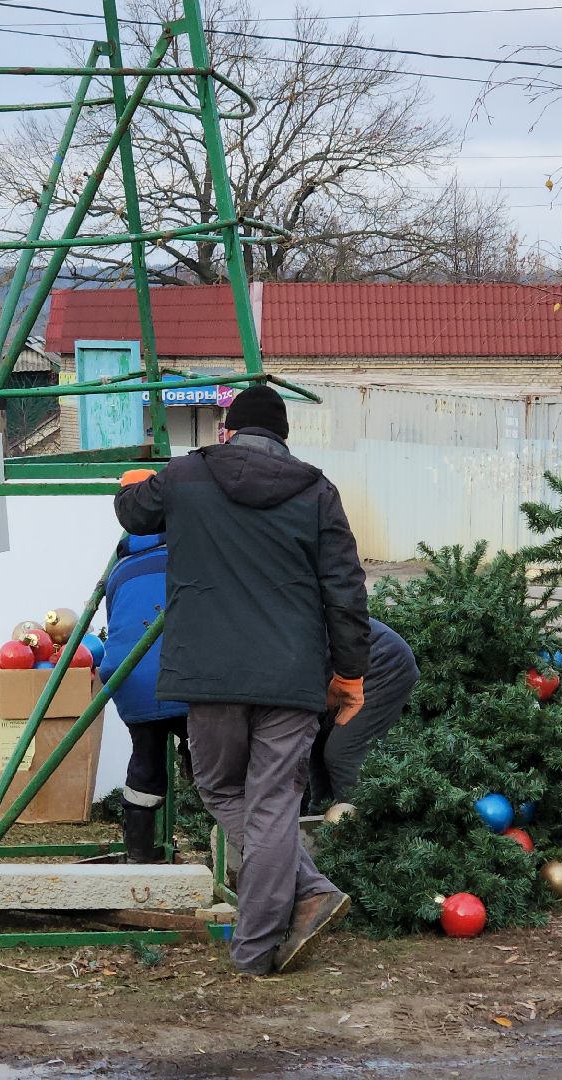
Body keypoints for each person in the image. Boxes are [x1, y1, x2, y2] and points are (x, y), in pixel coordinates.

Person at [114, 383, 370, 976]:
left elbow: (134, 513)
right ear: (283, 436)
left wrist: (133, 483)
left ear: (227, 430)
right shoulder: (316, 490)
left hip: (211, 674)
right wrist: (349, 673)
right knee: (274, 803)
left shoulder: (184, 476)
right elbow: (346, 590)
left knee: (222, 789)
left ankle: (258, 948)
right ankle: (303, 895)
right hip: (291, 675)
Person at [98, 531, 189, 863]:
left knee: (145, 757)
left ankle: (139, 852)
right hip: (185, 674)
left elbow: (119, 621)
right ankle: (217, 835)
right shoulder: (193, 555)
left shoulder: (120, 569)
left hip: (130, 674)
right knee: (212, 751)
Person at [307, 617, 418, 812]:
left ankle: (360, 832)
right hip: (334, 669)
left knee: (343, 754)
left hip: (381, 662)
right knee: (314, 747)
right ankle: (317, 823)